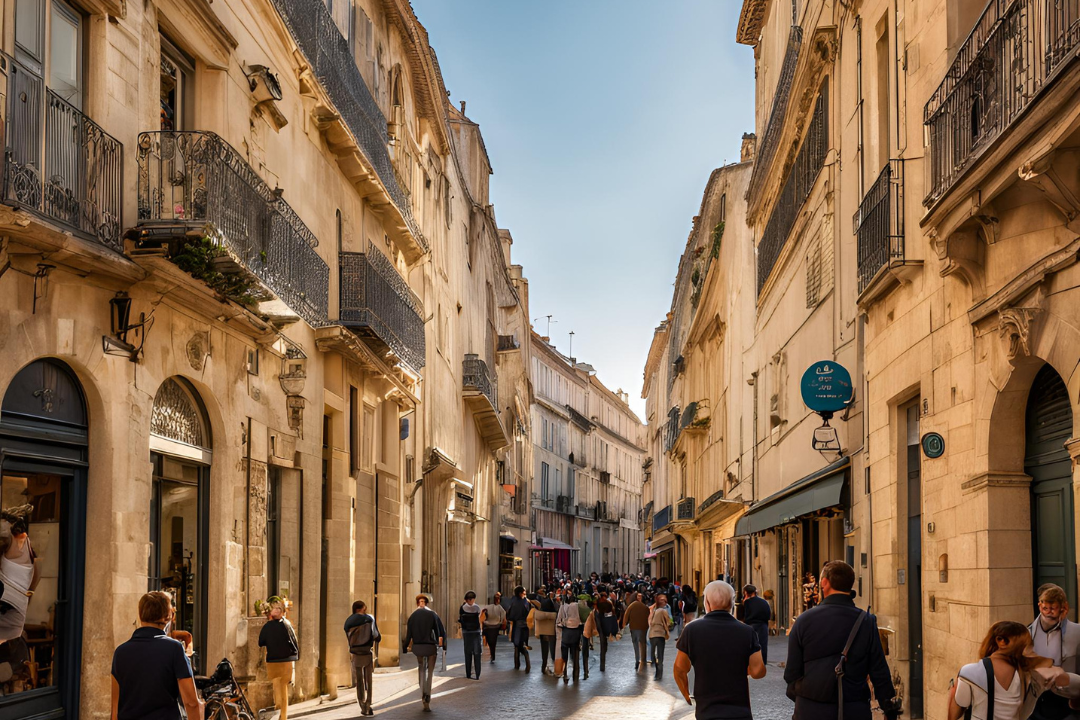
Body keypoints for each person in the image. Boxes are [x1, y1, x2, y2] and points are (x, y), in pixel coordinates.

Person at [784, 561, 899, 720]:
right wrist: (888, 708)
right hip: (853, 709)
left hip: (811, 708)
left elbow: (791, 673)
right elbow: (879, 670)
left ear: (824, 583)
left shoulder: (803, 621)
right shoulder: (866, 622)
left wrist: (805, 696)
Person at [948, 620, 1077, 720]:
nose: (1030, 650)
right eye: (1026, 645)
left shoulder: (970, 672)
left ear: (1000, 641)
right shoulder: (1032, 675)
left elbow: (953, 715)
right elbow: (1065, 677)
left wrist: (953, 691)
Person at [674, 581, 766, 719]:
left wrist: (686, 694)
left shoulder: (691, 630)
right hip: (739, 713)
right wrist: (742, 668)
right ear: (732, 604)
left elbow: (680, 669)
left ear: (707, 603)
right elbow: (758, 671)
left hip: (707, 713)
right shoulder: (747, 632)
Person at [111, 591, 203, 720]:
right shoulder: (174, 649)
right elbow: (191, 703)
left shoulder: (120, 652)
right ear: (167, 617)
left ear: (141, 615)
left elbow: (115, 708)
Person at [1027, 584, 1080, 719]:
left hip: (1065, 697)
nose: (1049, 612)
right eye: (1045, 608)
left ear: (1063, 607)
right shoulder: (1027, 632)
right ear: (1040, 606)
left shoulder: (1077, 632)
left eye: (1053, 608)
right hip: (1036, 697)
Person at [258, 597, 299, 720]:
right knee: (284, 686)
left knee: (276, 682)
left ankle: (278, 705)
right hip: (287, 659)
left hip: (273, 659)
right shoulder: (287, 625)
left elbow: (261, 642)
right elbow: (294, 641)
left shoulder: (267, 627)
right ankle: (283, 715)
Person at [403, 594, 445, 712]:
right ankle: (428, 696)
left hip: (418, 647)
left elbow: (409, 635)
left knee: (421, 669)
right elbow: (437, 631)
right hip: (430, 647)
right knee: (430, 672)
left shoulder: (412, 616)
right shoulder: (432, 614)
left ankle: (422, 693)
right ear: (426, 603)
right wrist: (440, 644)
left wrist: (405, 647)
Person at [344, 600, 380, 717]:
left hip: (355, 652)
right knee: (368, 680)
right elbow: (376, 635)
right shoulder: (369, 619)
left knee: (359, 680)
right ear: (363, 608)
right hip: (366, 651)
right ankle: (368, 704)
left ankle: (362, 704)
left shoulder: (348, 621)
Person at [556, 592, 583, 683]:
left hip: (565, 633)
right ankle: (576, 675)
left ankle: (565, 674)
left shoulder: (563, 607)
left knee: (565, 657)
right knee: (575, 656)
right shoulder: (579, 608)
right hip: (576, 634)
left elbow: (558, 621)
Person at [532, 586, 558, 675]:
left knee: (545, 648)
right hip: (550, 628)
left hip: (543, 629)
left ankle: (544, 665)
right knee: (551, 647)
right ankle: (553, 666)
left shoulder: (539, 605)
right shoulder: (549, 605)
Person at [743, 585, 771, 664]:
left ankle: (751, 662)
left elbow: (744, 615)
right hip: (763, 625)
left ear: (746, 593)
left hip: (750, 625)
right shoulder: (763, 602)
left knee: (750, 645)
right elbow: (768, 615)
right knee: (762, 644)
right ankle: (762, 662)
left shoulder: (747, 603)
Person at [506, 585, 532, 672]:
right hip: (524, 625)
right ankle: (527, 663)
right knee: (522, 644)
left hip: (516, 625)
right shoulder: (526, 602)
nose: (525, 593)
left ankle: (517, 664)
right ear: (520, 593)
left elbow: (510, 614)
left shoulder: (513, 602)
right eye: (524, 592)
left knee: (517, 645)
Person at [623, 590, 651, 671]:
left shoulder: (632, 606)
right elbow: (648, 614)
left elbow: (626, 615)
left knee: (636, 643)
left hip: (634, 627)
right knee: (642, 642)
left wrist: (625, 623)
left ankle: (637, 660)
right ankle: (643, 659)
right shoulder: (644, 607)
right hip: (643, 627)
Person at [648, 593, 673, 680]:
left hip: (652, 634)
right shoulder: (664, 611)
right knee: (660, 655)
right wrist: (668, 626)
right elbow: (669, 622)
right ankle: (659, 673)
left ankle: (657, 673)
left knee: (653, 655)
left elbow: (650, 622)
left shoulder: (654, 611)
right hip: (660, 635)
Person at [459, 591, 483, 680]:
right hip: (476, 632)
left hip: (466, 632)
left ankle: (468, 673)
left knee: (468, 653)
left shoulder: (462, 608)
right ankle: (477, 674)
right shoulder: (477, 607)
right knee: (477, 653)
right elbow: (479, 616)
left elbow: (460, 619)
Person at [480, 592, 506, 663]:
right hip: (495, 626)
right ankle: (492, 654)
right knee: (493, 641)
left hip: (488, 626)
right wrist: (501, 622)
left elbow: (483, 616)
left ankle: (492, 654)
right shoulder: (499, 607)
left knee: (489, 641)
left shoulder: (486, 607)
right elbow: (503, 615)